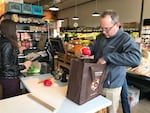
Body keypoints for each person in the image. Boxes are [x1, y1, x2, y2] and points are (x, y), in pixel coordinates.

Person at [82, 9, 141, 113]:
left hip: (112, 85)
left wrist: (107, 57)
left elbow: (135, 59)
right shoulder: (101, 37)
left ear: (117, 25)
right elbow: (94, 45)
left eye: (107, 29)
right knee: (96, 109)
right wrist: (88, 49)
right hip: (96, 82)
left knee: (110, 110)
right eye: (102, 28)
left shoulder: (125, 39)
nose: (104, 32)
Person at [0, 19, 32, 99]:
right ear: (10, 30)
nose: (16, 32)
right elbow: (7, 66)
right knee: (11, 99)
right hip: (10, 78)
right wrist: (24, 66)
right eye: (15, 29)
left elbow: (6, 56)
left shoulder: (4, 41)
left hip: (6, 77)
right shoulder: (7, 44)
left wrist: (18, 50)